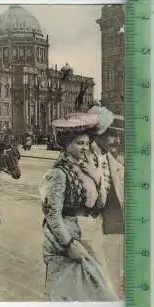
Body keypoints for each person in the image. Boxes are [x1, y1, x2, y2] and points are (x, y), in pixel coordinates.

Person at [39, 112, 116, 301]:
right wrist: (69, 244)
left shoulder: (86, 168)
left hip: (88, 240)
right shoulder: (57, 173)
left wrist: (97, 179)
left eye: (86, 143)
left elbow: (100, 205)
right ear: (67, 144)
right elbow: (52, 215)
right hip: (65, 244)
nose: (84, 148)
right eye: (79, 143)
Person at [88, 106, 124, 298]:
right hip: (96, 231)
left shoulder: (112, 159)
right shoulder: (88, 158)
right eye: (112, 135)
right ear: (100, 133)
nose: (117, 140)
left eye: (118, 136)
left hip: (115, 229)